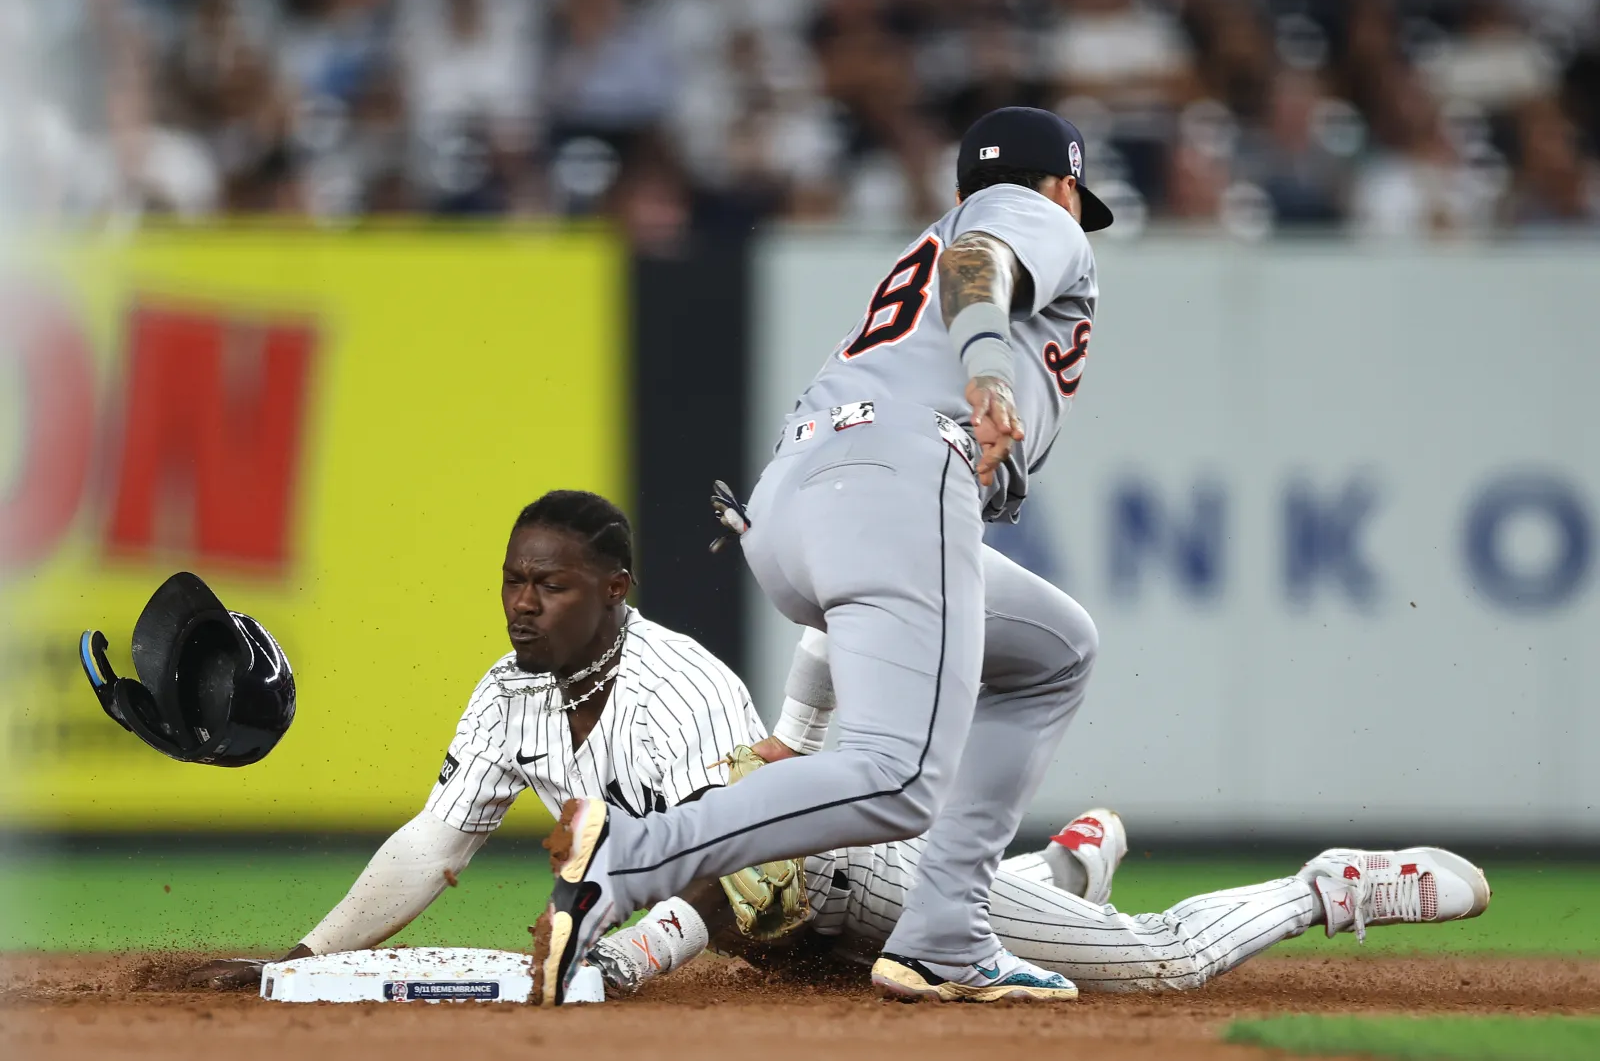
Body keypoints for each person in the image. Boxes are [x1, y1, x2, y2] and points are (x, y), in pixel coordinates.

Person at [188, 490, 1492, 997]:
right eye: (514, 579)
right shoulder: (505, 697)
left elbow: (735, 875)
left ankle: (1327, 886)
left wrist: (616, 955)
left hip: (861, 879)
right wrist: (305, 953)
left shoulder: (674, 684)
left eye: (553, 582)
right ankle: (1062, 867)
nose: (525, 599)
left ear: (618, 589)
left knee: (1153, 975)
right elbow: (434, 840)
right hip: (783, 939)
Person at [532, 104, 1120, 1006]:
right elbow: (978, 266)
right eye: (1075, 200)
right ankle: (628, 858)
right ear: (1066, 187)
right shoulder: (1026, 218)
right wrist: (990, 371)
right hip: (893, 478)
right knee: (900, 778)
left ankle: (942, 935)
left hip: (802, 501)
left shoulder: (934, 240)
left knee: (1055, 651)